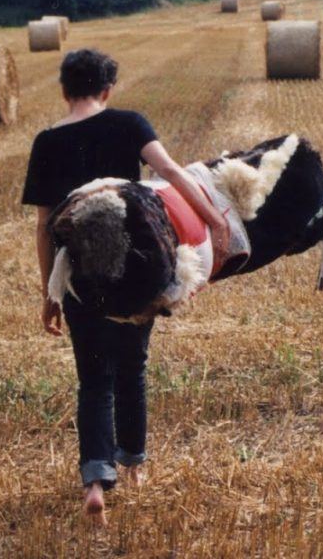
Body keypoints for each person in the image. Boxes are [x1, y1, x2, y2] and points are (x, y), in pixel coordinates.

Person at [22, 49, 229, 525]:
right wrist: (213, 218)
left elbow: (43, 225)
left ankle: (96, 479)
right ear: (107, 89)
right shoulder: (129, 123)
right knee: (132, 367)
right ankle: (134, 467)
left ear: (64, 90)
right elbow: (171, 173)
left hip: (77, 275)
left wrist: (49, 293)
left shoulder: (47, 141)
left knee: (94, 378)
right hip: (133, 269)